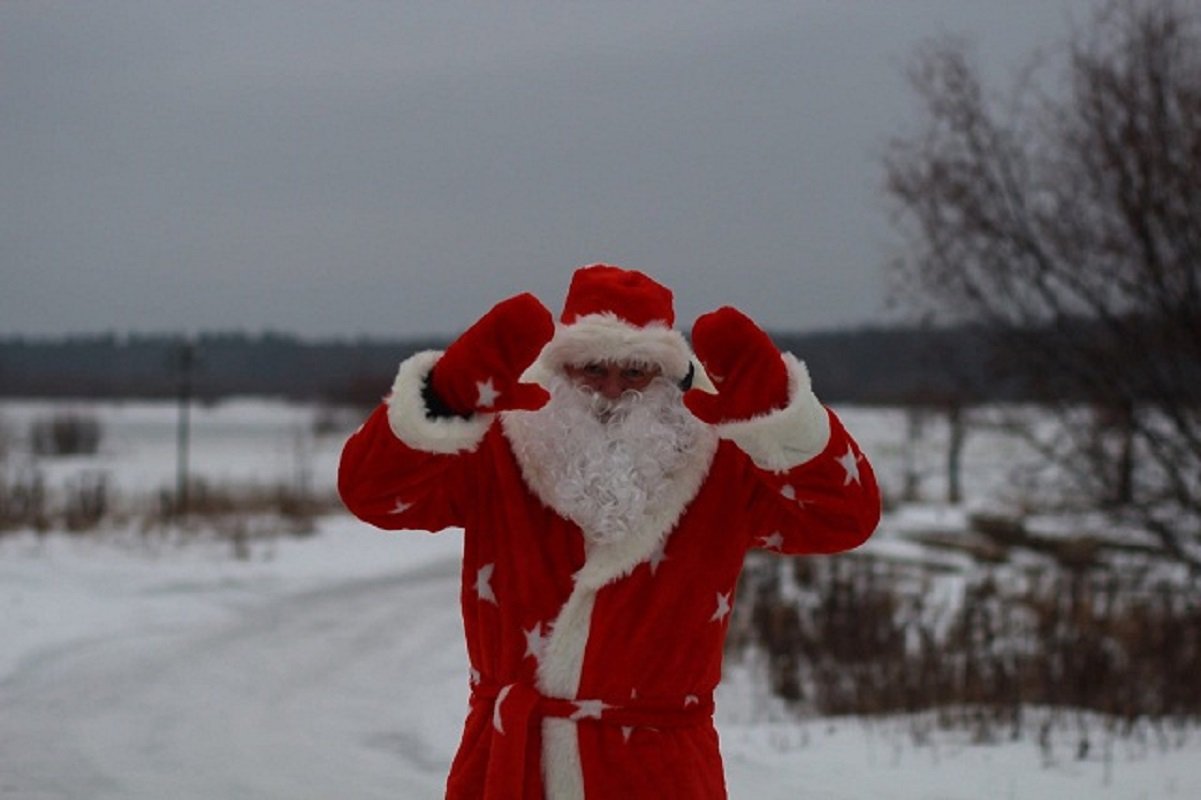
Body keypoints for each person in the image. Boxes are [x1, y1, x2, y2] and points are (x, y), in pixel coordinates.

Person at [338, 264, 880, 799]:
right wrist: (446, 398)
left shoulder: (722, 461)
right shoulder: (501, 447)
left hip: (660, 772)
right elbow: (374, 494)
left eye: (636, 372)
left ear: (667, 375)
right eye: (592, 369)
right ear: (560, 369)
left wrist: (779, 418)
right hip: (510, 766)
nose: (612, 390)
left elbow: (845, 519)